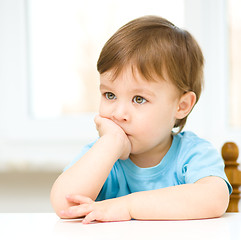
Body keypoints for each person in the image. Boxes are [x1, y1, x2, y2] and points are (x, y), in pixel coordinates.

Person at [50, 15, 232, 224]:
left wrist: (127, 206)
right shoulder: (103, 156)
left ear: (181, 106)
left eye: (139, 99)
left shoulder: (192, 154)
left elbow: (214, 199)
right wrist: (111, 143)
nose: (118, 113)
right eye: (110, 95)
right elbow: (65, 207)